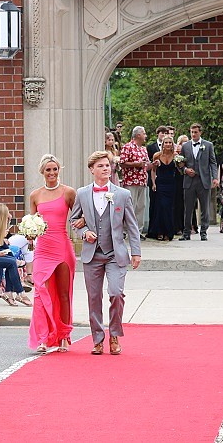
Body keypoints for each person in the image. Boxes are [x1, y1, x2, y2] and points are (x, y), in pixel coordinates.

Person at [70, 151, 141, 355]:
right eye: (101, 166)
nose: (106, 169)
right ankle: (98, 339)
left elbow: (132, 226)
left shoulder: (122, 194)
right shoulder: (82, 194)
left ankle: (115, 335)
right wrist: (84, 232)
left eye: (108, 165)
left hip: (115, 253)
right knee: (94, 298)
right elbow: (73, 220)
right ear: (92, 170)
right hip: (92, 255)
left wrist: (136, 252)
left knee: (116, 293)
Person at [28, 154, 77, 353]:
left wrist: (83, 226)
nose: (52, 173)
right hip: (42, 248)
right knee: (40, 293)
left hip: (63, 247)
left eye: (55, 169)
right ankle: (42, 338)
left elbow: (78, 216)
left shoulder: (68, 193)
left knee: (64, 294)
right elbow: (31, 222)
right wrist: (29, 234)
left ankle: (64, 336)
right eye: (48, 169)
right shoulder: (35, 195)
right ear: (42, 172)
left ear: (59, 170)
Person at [180, 123, 218, 241]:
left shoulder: (208, 145)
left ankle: (204, 232)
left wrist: (215, 177)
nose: (193, 134)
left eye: (196, 132)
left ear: (200, 132)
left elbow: (213, 162)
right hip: (189, 180)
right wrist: (185, 170)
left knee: (205, 207)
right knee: (188, 208)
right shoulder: (185, 146)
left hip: (203, 180)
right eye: (192, 132)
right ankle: (186, 232)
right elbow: (180, 163)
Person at [119, 126, 150, 240]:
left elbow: (146, 164)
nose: (145, 136)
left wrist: (153, 164)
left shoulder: (143, 149)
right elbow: (122, 163)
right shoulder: (127, 147)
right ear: (138, 135)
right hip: (131, 181)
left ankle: (138, 231)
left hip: (142, 181)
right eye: (144, 133)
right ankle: (125, 230)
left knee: (141, 206)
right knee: (129, 206)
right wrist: (135, 164)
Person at [149, 136, 178, 241]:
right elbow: (153, 170)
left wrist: (179, 163)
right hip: (160, 183)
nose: (168, 144)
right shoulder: (157, 155)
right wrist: (153, 183)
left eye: (170, 142)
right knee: (160, 207)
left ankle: (168, 232)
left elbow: (180, 168)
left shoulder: (175, 155)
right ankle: (159, 231)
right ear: (163, 144)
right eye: (166, 142)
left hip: (171, 183)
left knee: (169, 208)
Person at [146, 125, 168, 239]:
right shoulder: (151, 147)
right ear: (158, 134)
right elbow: (149, 163)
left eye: (165, 133)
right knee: (154, 205)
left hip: (167, 180)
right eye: (161, 133)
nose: (163, 135)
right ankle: (154, 229)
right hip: (155, 179)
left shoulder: (172, 150)